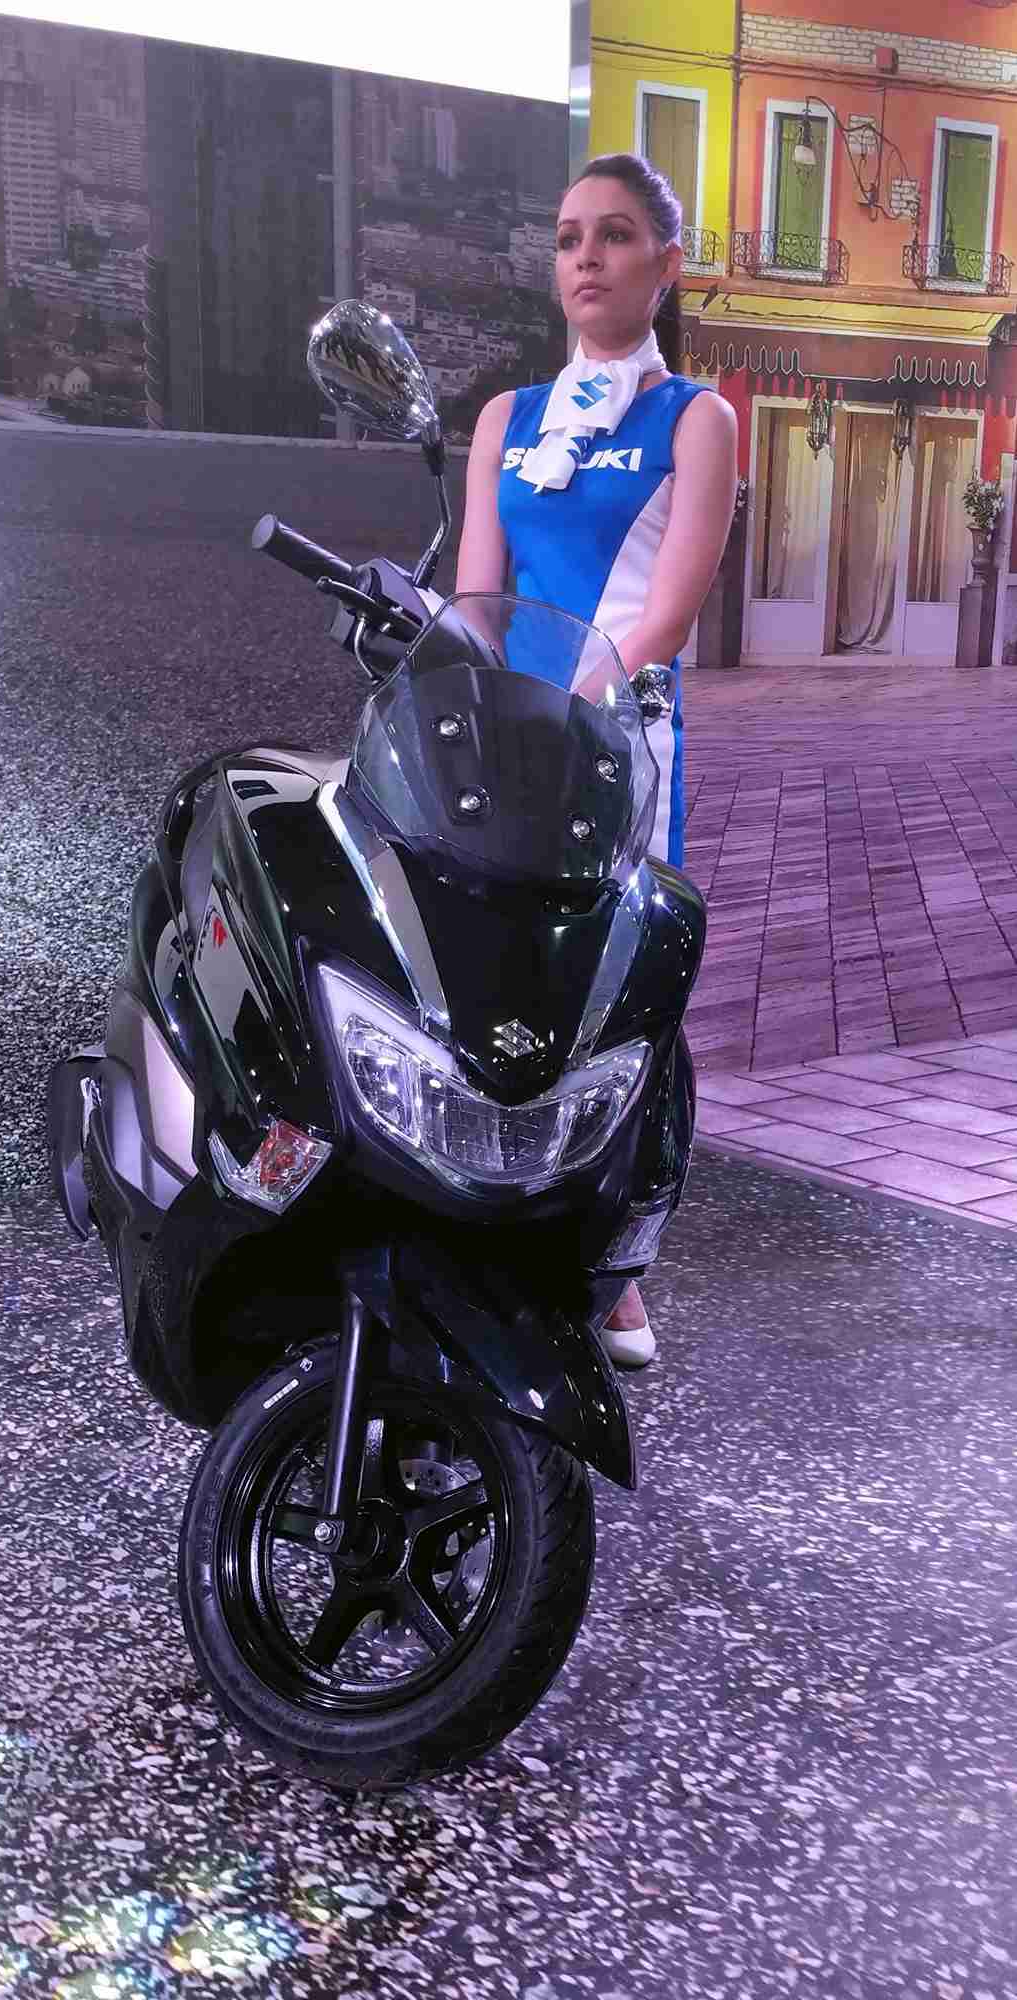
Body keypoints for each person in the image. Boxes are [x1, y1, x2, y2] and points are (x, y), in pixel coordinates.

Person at [455, 150, 738, 1369]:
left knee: (614, 992)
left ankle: (615, 1264)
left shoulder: (698, 420)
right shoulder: (506, 420)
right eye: (569, 236)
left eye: (614, 235)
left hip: (621, 743)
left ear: (664, 264)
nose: (585, 257)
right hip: (507, 743)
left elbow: (670, 610)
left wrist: (577, 699)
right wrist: (463, 685)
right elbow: (478, 594)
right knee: (490, 973)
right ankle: (488, 1221)